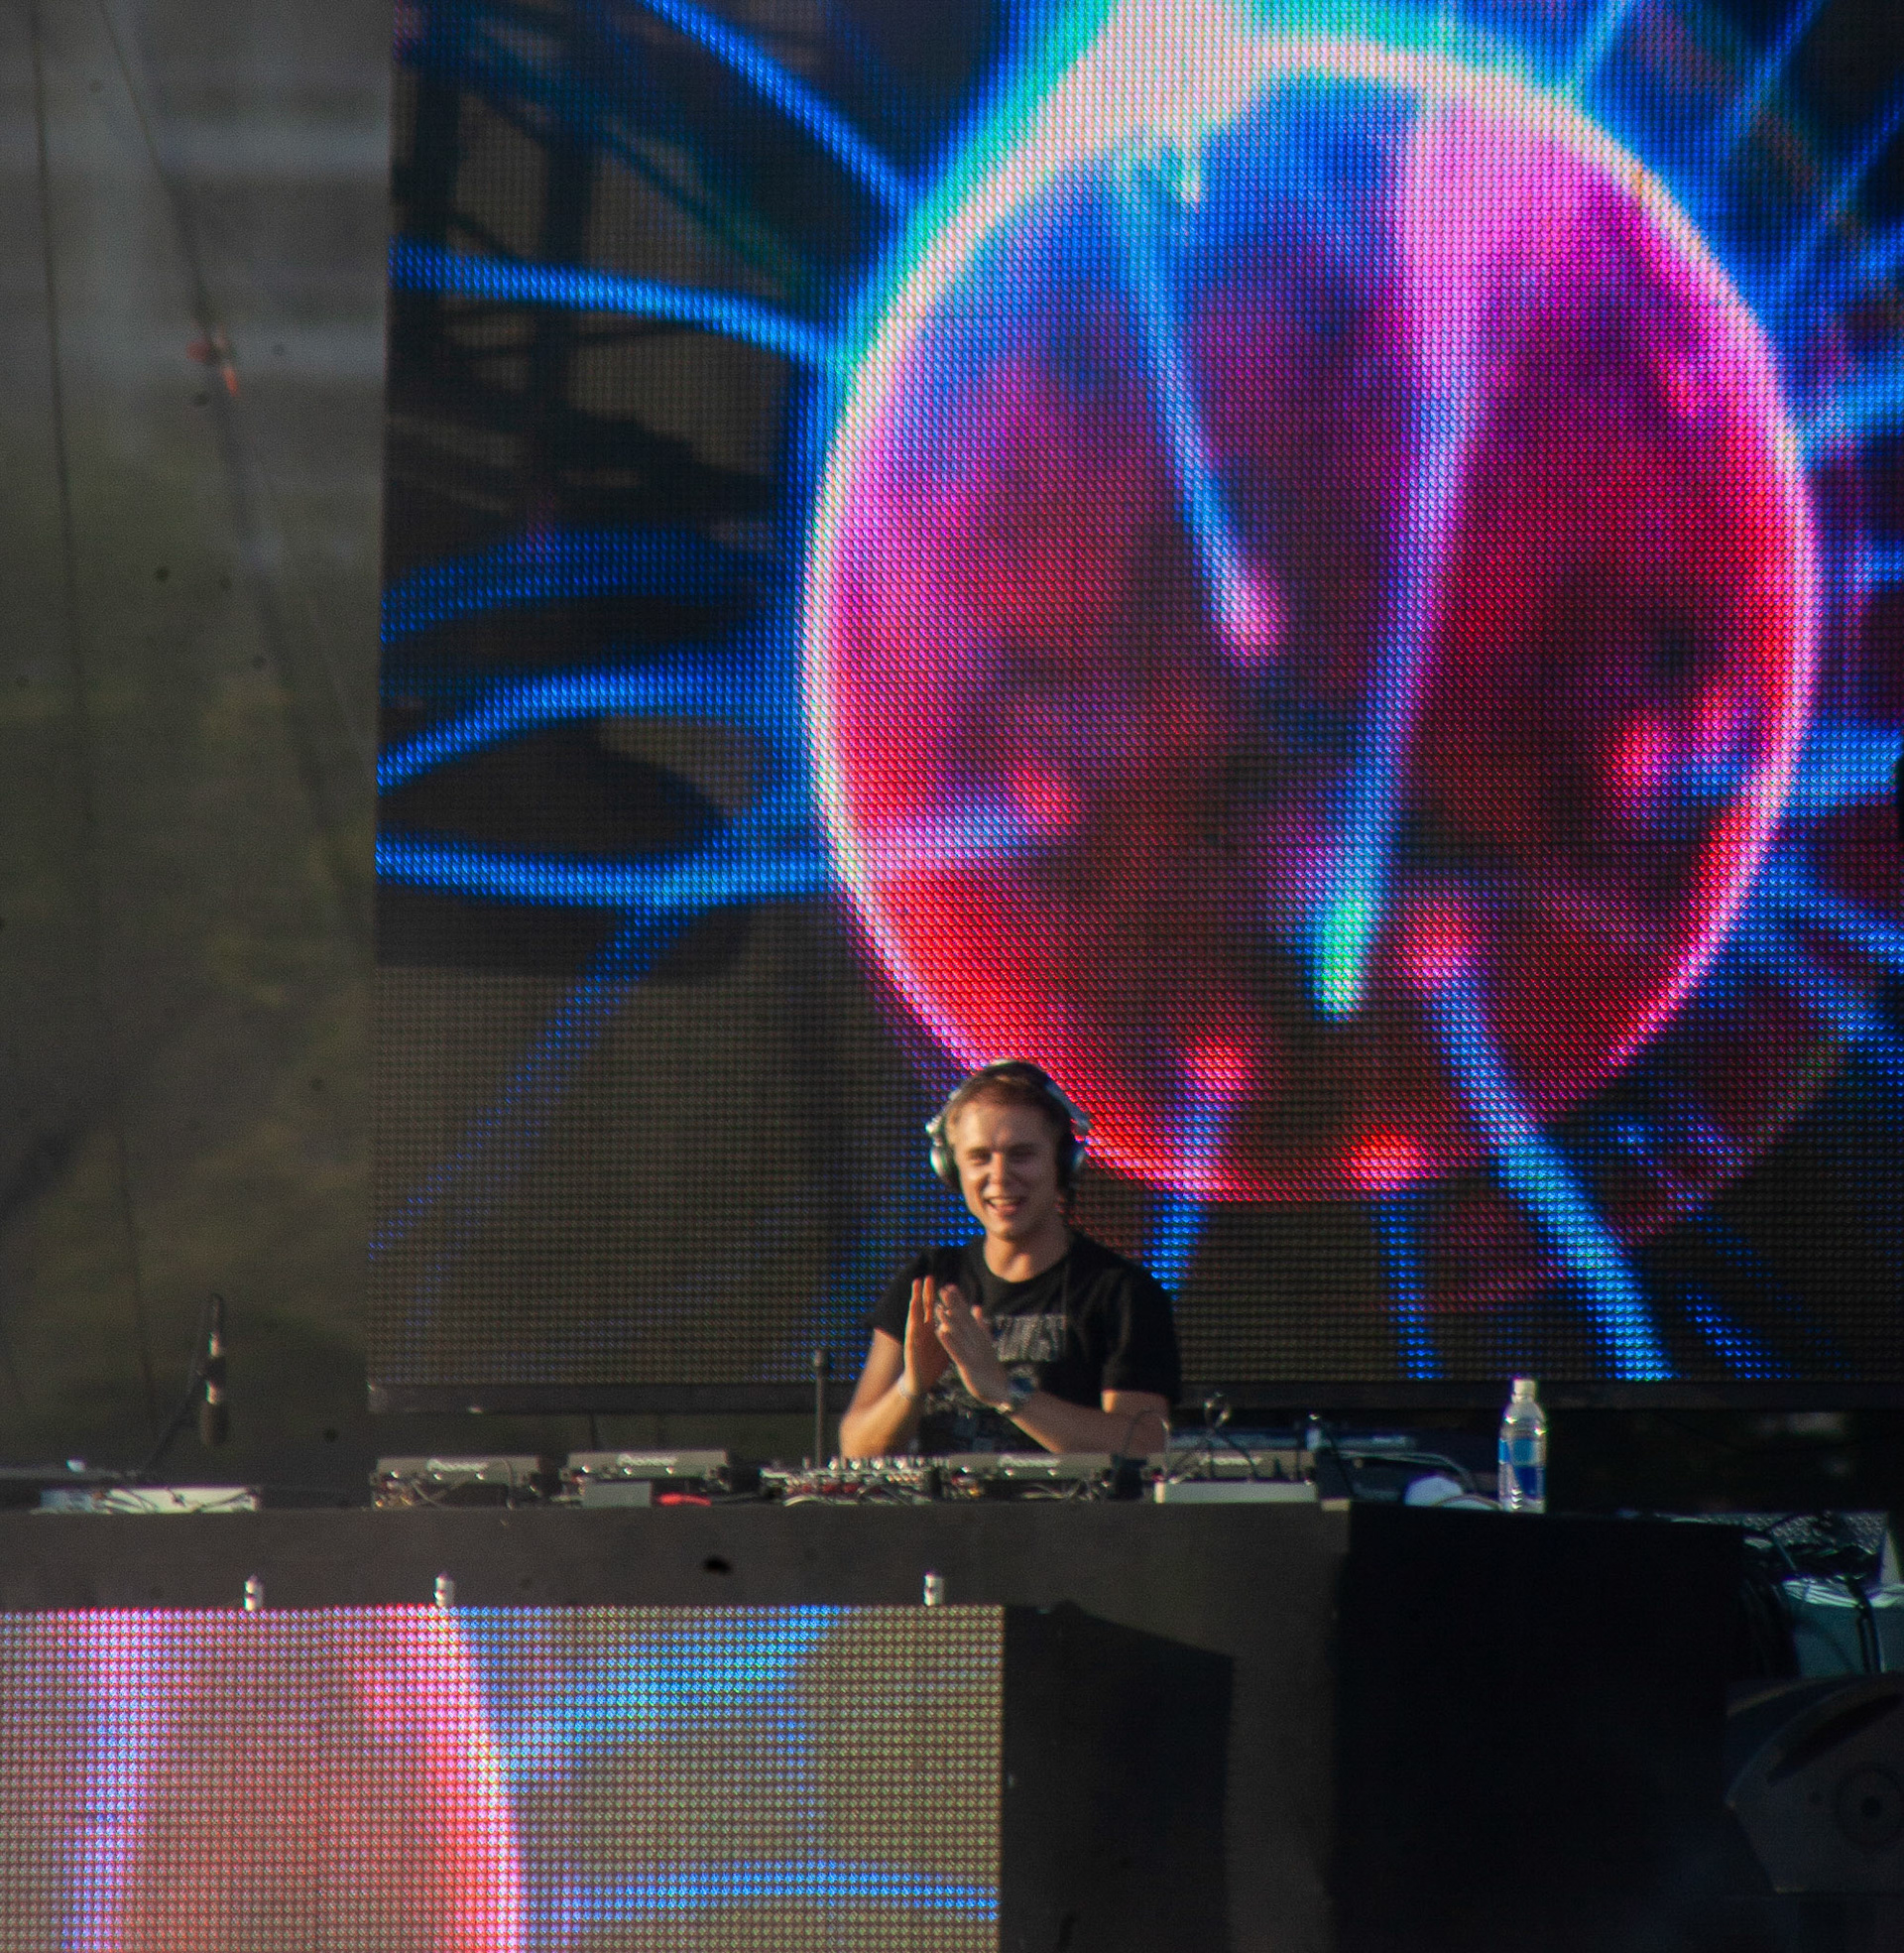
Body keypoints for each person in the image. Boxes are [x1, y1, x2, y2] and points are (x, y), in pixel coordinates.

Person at [839, 1061, 1179, 1457]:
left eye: (1021, 1155)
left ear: (1063, 1163)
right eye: (979, 1157)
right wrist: (912, 1386)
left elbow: (1144, 1444)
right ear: (950, 1168)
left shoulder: (1121, 1293)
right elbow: (855, 1446)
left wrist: (1004, 1390)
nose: (999, 1177)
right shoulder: (929, 1278)